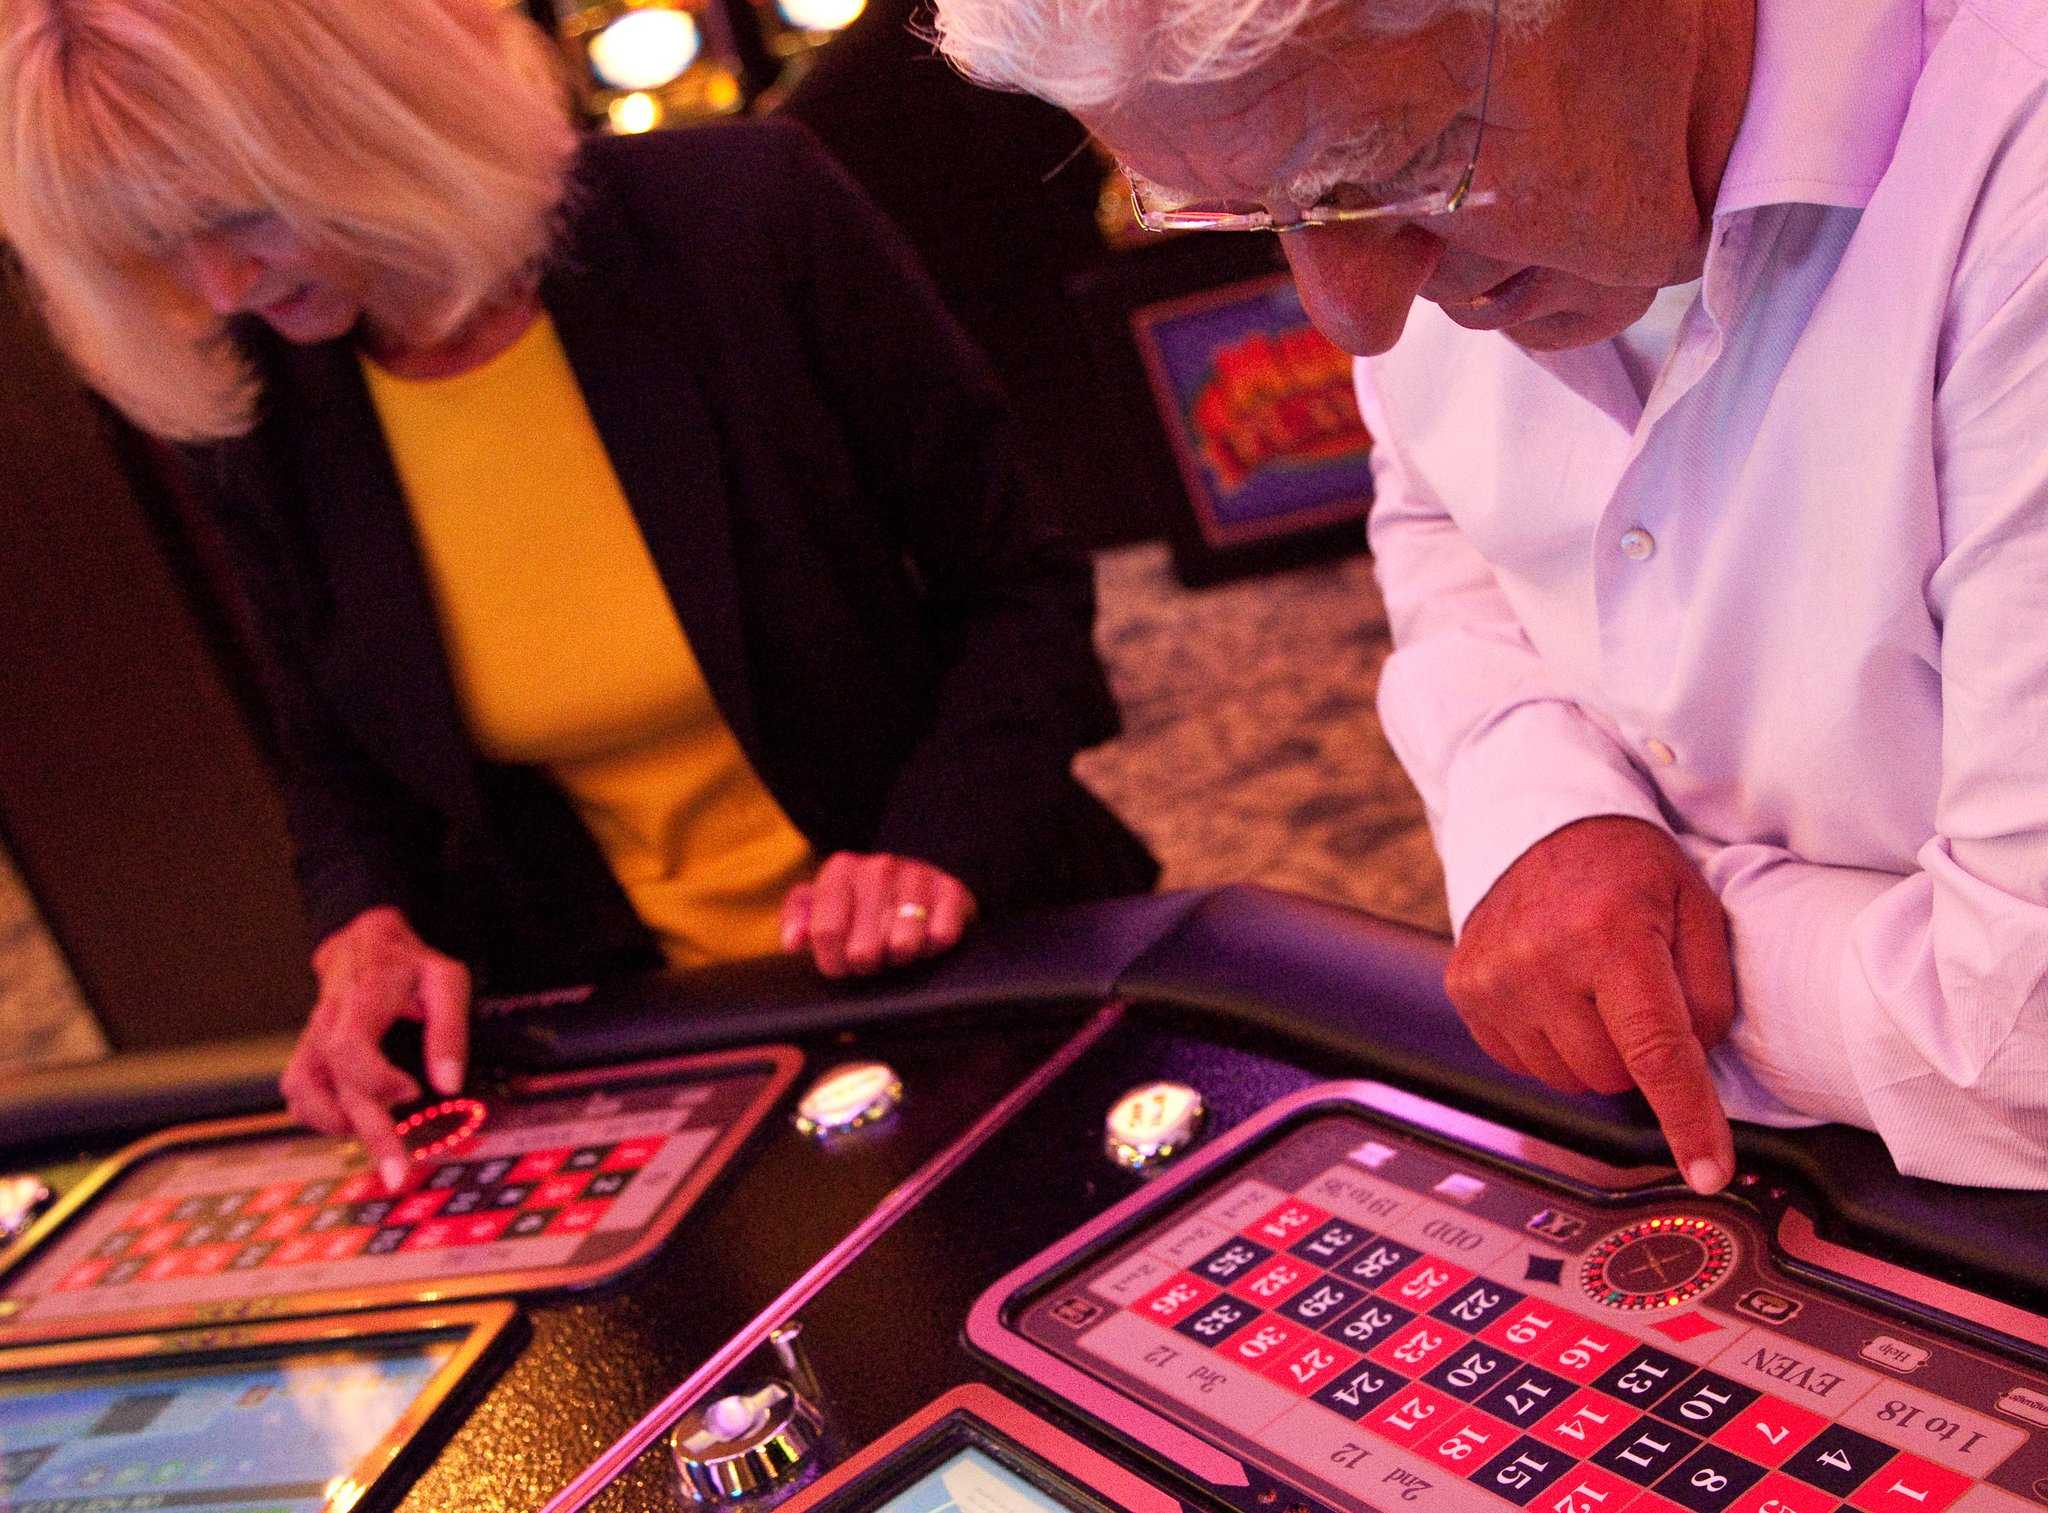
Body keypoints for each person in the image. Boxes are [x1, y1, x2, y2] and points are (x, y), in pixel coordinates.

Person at [0, 0, 1156, 1188]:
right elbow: (337, 755)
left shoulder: (741, 210)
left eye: (239, 216)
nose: (217, 285)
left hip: (982, 963)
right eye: (154, 245)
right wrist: (367, 924)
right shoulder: (263, 397)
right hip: (637, 1045)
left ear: (372, 121)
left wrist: (932, 847)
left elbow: (1017, 580)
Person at [929, 0, 2048, 1189]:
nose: (1348, 314)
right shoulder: (1393, 135)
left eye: (1396, 171)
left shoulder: (2012, 165)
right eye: (1252, 214)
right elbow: (1441, 523)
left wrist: (1650, 960)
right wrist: (1542, 811)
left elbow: (2021, 1046)